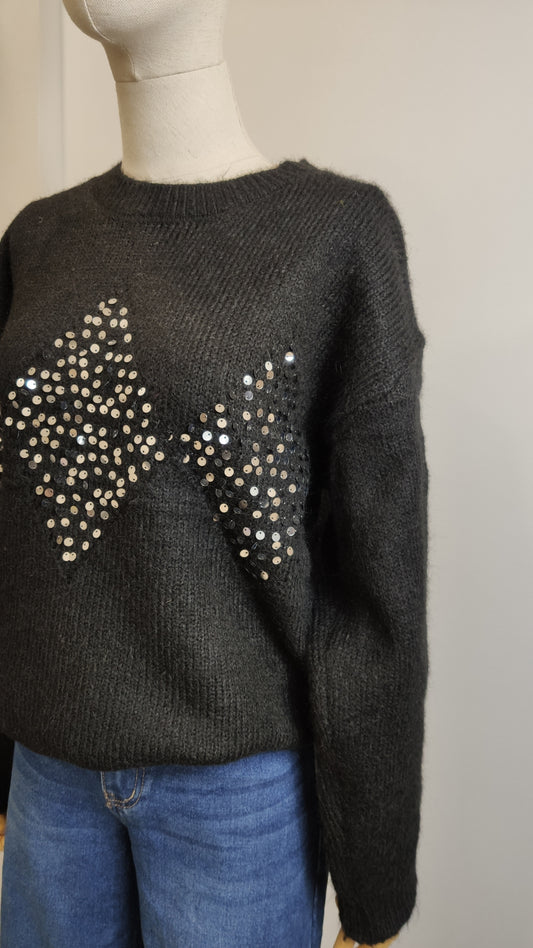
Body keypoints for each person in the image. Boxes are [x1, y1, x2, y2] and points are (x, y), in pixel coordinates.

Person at [0, 1, 429, 946]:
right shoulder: (36, 242)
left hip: (234, 802)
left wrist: (374, 879)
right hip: (46, 785)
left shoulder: (336, 236)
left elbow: (376, 582)